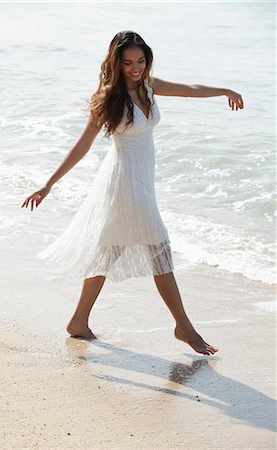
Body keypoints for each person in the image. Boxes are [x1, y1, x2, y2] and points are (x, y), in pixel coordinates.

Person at [22, 31, 244, 355]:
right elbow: (83, 145)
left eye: (140, 61)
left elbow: (191, 90)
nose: (135, 68)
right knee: (159, 248)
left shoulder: (150, 86)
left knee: (110, 250)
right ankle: (184, 327)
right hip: (124, 181)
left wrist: (224, 90)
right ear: (117, 62)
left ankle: (78, 320)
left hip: (142, 179)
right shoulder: (110, 96)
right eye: (128, 63)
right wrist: (49, 183)